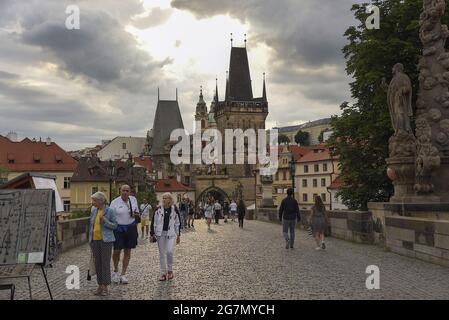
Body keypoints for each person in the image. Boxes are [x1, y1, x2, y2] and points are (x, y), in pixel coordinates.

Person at [88, 192, 117, 296]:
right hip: (95, 241)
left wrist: (105, 221)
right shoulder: (93, 210)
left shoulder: (110, 211)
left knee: (105, 263)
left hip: (106, 241)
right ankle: (100, 285)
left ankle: (105, 287)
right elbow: (90, 226)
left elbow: (115, 226)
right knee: (98, 264)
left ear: (101, 201)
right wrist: (90, 240)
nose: (93, 202)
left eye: (94, 200)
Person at [109, 185, 139, 284]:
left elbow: (137, 212)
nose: (125, 192)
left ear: (130, 192)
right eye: (123, 190)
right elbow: (110, 216)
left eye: (127, 191)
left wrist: (135, 214)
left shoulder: (133, 199)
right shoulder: (114, 202)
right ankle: (115, 271)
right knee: (116, 250)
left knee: (128, 250)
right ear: (120, 191)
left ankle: (123, 274)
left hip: (131, 227)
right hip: (118, 228)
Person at [150, 192, 181, 281]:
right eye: (163, 198)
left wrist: (178, 234)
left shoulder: (174, 209)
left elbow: (177, 223)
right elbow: (154, 222)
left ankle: (170, 271)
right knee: (162, 254)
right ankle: (163, 273)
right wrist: (152, 234)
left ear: (170, 200)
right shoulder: (158, 209)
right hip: (160, 234)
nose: (164, 199)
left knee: (169, 252)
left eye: (166, 198)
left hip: (170, 234)